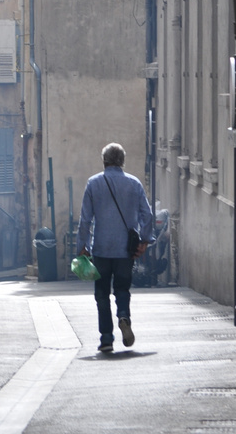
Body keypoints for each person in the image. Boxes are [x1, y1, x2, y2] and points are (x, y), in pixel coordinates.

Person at [76, 142, 154, 352]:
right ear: (122, 161)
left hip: (101, 249)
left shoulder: (93, 183)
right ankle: (123, 316)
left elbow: (85, 220)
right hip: (125, 250)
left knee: (101, 294)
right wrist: (145, 241)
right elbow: (147, 215)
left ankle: (107, 338)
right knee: (122, 288)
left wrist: (82, 246)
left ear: (104, 161)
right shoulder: (134, 184)